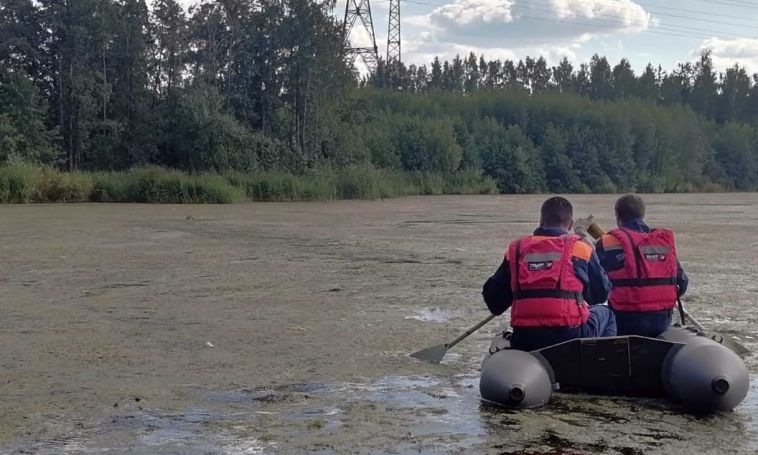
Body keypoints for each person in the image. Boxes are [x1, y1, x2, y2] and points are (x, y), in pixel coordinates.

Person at [482, 196, 616, 352]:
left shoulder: (517, 250)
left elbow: (495, 304)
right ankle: (603, 361)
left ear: (541, 220)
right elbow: (600, 296)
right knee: (607, 314)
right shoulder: (580, 248)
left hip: (525, 338)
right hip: (571, 336)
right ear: (570, 224)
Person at [596, 194, 689, 338]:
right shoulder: (662, 242)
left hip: (624, 320)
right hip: (661, 321)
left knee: (598, 313)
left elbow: (597, 288)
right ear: (642, 215)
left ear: (618, 216)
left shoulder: (607, 242)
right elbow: (682, 283)